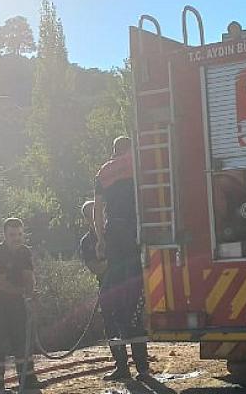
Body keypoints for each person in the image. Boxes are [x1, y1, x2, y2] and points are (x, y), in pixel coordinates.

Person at [93, 136, 150, 380]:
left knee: (112, 304)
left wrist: (100, 239)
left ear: (113, 151)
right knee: (135, 297)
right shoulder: (141, 164)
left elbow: (97, 208)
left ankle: (122, 367)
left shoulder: (104, 172)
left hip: (114, 235)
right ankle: (143, 368)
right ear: (130, 149)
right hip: (137, 234)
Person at [0, 217, 43, 393]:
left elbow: (29, 276)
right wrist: (23, 292)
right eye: (12, 235)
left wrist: (31, 293)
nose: (16, 238)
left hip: (16, 304)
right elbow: (0, 284)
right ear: (5, 235)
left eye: (19, 234)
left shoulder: (24, 252)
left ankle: (28, 382)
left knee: (22, 342)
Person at [78, 200, 127, 376]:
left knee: (133, 325)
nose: (98, 217)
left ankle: (143, 368)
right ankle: (122, 367)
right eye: (93, 215)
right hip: (107, 288)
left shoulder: (117, 232)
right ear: (86, 220)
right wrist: (113, 260)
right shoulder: (86, 242)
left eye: (100, 212)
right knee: (111, 327)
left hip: (127, 286)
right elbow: (96, 268)